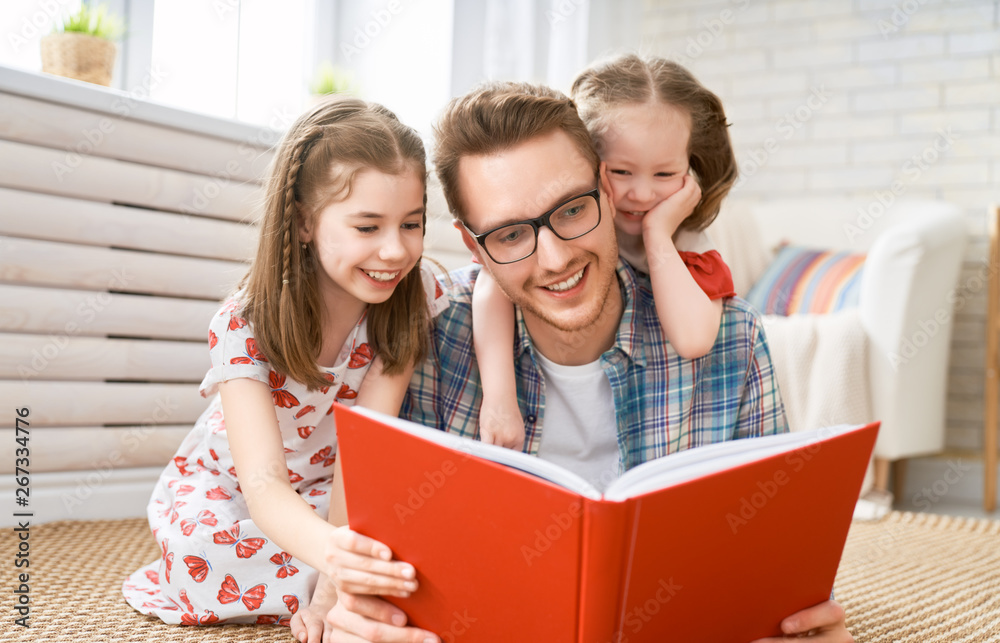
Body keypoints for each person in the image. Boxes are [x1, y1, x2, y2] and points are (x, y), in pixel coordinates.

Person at [324, 80, 854, 641]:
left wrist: (805, 623)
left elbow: (779, 563)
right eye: (508, 235)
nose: (554, 259)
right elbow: (379, 566)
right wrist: (359, 620)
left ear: (605, 188)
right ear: (473, 245)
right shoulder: (428, 335)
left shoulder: (732, 338)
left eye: (572, 209)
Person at [121, 96, 446, 635]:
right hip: (236, 487)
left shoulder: (413, 296)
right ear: (303, 223)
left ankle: (345, 584)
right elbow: (265, 485)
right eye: (368, 228)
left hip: (333, 487)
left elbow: (359, 457)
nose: (395, 251)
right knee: (206, 560)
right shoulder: (242, 324)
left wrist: (334, 585)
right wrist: (335, 558)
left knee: (409, 543)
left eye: (411, 224)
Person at [473, 53, 736, 450]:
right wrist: (499, 398)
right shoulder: (573, 222)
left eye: (665, 174)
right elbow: (492, 284)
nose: (642, 194)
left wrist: (658, 233)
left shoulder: (689, 242)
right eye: (621, 171)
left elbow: (694, 340)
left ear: (691, 171)